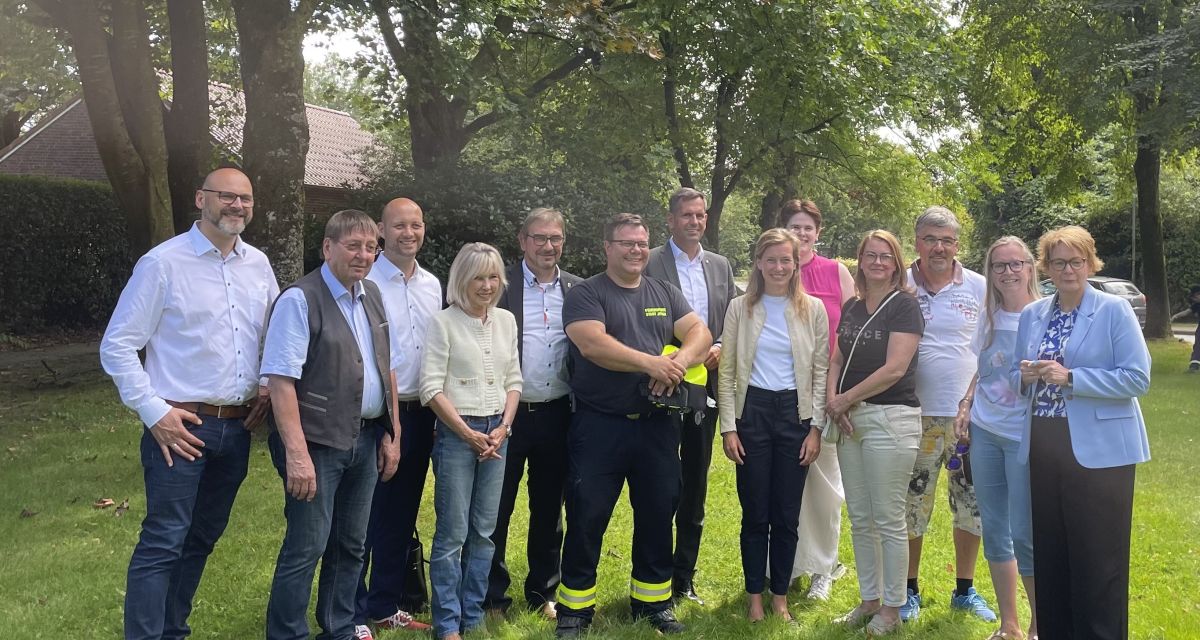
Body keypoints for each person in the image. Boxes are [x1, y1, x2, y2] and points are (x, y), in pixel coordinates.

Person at [100, 167, 278, 640]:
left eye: (245, 198)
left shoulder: (258, 265)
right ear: (201, 199)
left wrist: (265, 385)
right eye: (226, 196)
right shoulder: (163, 263)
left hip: (237, 429)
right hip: (181, 427)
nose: (236, 206)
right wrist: (154, 412)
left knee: (200, 539)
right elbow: (117, 345)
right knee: (163, 540)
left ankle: (172, 630)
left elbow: (275, 337)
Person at [555, 213, 712, 637]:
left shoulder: (663, 290)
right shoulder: (588, 293)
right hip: (600, 426)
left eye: (642, 243)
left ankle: (652, 602)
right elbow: (592, 344)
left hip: (657, 427)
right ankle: (575, 609)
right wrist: (652, 364)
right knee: (588, 514)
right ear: (607, 247)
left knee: (659, 512)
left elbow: (699, 330)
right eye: (626, 243)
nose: (636, 250)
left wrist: (678, 362)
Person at [261, 210, 403, 640]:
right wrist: (297, 455)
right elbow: (281, 383)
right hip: (317, 444)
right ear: (327, 247)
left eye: (370, 247)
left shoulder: (372, 294)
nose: (363, 255)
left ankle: (340, 628)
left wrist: (393, 432)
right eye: (353, 246)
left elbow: (386, 369)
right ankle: (287, 634)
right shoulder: (299, 300)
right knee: (307, 546)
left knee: (351, 544)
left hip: (365, 437)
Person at [1013, 225, 1150, 640]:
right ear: (1046, 268)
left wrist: (1072, 378)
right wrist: (1025, 376)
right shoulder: (1032, 314)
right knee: (1052, 555)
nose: (1068, 269)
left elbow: (1137, 378)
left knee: (1099, 563)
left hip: (1102, 453)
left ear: (1091, 264)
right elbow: (1019, 380)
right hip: (1044, 444)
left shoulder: (1113, 310)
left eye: (1076, 261)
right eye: (1059, 262)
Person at [717, 229, 828, 622]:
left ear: (796, 263)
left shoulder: (812, 309)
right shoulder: (740, 308)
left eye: (786, 260)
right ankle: (755, 598)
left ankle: (780, 595)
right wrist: (729, 427)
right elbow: (727, 369)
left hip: (795, 415)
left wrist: (816, 428)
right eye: (771, 260)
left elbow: (820, 371)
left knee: (786, 514)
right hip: (754, 414)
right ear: (759, 263)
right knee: (755, 512)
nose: (779, 267)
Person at [420, 242, 522, 640]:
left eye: (493, 276)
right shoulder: (442, 323)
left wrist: (503, 428)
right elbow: (430, 388)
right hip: (456, 434)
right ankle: (447, 624)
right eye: (478, 277)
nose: (486, 285)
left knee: (484, 530)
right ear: (462, 279)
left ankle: (473, 615)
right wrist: (467, 433)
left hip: (499, 432)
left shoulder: (507, 322)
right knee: (452, 533)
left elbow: (514, 379)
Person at [485, 209, 583, 619]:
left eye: (555, 238)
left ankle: (544, 591)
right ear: (522, 240)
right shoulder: (498, 286)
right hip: (505, 416)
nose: (548, 246)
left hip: (558, 413)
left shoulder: (577, 291)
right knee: (496, 506)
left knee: (549, 507)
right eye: (539, 238)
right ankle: (492, 595)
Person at [827, 230, 924, 637]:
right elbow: (838, 356)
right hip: (850, 418)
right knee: (860, 516)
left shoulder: (904, 307)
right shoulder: (851, 305)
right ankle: (868, 599)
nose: (878, 262)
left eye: (886, 256)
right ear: (860, 259)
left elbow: (895, 368)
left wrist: (845, 398)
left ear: (897, 262)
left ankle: (892, 608)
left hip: (891, 420)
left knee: (888, 519)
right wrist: (835, 399)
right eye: (871, 255)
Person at [643, 187, 736, 606]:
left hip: (705, 390)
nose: (694, 222)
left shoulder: (720, 266)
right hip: (662, 385)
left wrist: (720, 346)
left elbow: (730, 319)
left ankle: (685, 577)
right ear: (670, 219)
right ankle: (653, 576)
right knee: (660, 485)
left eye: (700, 215)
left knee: (695, 485)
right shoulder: (649, 261)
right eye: (686, 215)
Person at [901, 206, 994, 622]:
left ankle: (965, 590)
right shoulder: (898, 283)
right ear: (916, 241)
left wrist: (971, 402)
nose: (939, 247)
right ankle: (908, 590)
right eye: (930, 239)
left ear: (958, 244)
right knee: (911, 505)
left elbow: (992, 350)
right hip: (909, 416)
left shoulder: (979, 286)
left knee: (970, 504)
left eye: (947, 240)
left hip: (967, 420)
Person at [356, 198, 440, 637]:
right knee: (365, 514)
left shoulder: (432, 285)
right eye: (398, 226)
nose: (408, 233)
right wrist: (390, 423)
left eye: (416, 225)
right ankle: (351, 611)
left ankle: (385, 604)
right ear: (381, 231)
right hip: (378, 413)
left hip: (423, 411)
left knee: (402, 513)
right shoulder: (365, 281)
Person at [954, 237, 1040, 640]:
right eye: (998, 266)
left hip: (1025, 436)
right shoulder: (987, 316)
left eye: (1014, 264)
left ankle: (1043, 625)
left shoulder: (1043, 316)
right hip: (985, 434)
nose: (1007, 272)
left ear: (1029, 268)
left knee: (1025, 532)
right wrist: (967, 403)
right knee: (994, 528)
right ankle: (1010, 626)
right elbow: (982, 368)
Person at [778, 199, 855, 600]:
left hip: (827, 390)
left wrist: (838, 390)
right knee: (788, 481)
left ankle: (824, 568)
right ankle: (789, 565)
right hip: (780, 389)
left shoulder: (835, 272)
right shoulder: (776, 270)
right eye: (795, 226)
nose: (802, 234)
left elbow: (855, 329)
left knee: (824, 484)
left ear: (818, 233)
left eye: (809, 228)